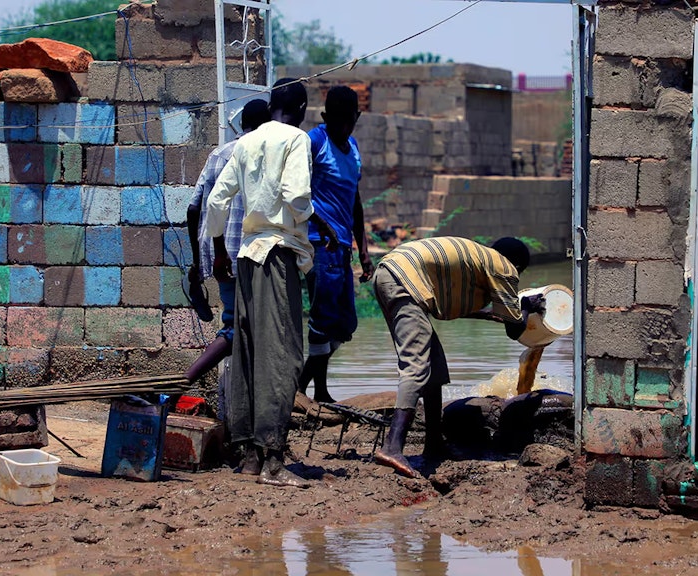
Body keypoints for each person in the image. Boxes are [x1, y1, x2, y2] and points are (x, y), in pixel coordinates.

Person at [206, 78, 338, 488]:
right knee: (283, 356)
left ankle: (249, 457)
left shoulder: (246, 142)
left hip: (246, 257)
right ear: (299, 107)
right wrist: (302, 234)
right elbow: (296, 194)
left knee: (248, 354)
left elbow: (216, 200)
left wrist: (220, 250)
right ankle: (275, 463)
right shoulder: (296, 140)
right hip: (278, 256)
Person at [371, 236, 537, 478]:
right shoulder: (505, 267)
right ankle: (392, 447)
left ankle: (434, 443)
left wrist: (495, 314)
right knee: (416, 365)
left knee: (435, 366)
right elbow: (515, 330)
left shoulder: (481, 259)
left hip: (395, 273)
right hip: (404, 281)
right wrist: (525, 306)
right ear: (518, 265)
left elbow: (450, 307)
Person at [184, 99, 271, 392]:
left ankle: (238, 399)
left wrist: (198, 262)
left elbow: (193, 209)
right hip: (247, 252)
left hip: (218, 253)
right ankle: (179, 384)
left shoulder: (219, 153)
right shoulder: (263, 154)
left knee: (244, 328)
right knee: (238, 328)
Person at [297, 86, 374, 404]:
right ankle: (316, 390)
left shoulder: (353, 147)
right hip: (319, 243)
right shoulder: (315, 142)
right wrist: (319, 224)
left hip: (343, 247)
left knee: (345, 325)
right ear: (326, 118)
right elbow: (297, 190)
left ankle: (301, 385)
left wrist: (364, 249)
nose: (344, 128)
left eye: (349, 122)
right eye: (337, 122)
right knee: (323, 318)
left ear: (356, 118)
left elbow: (355, 201)